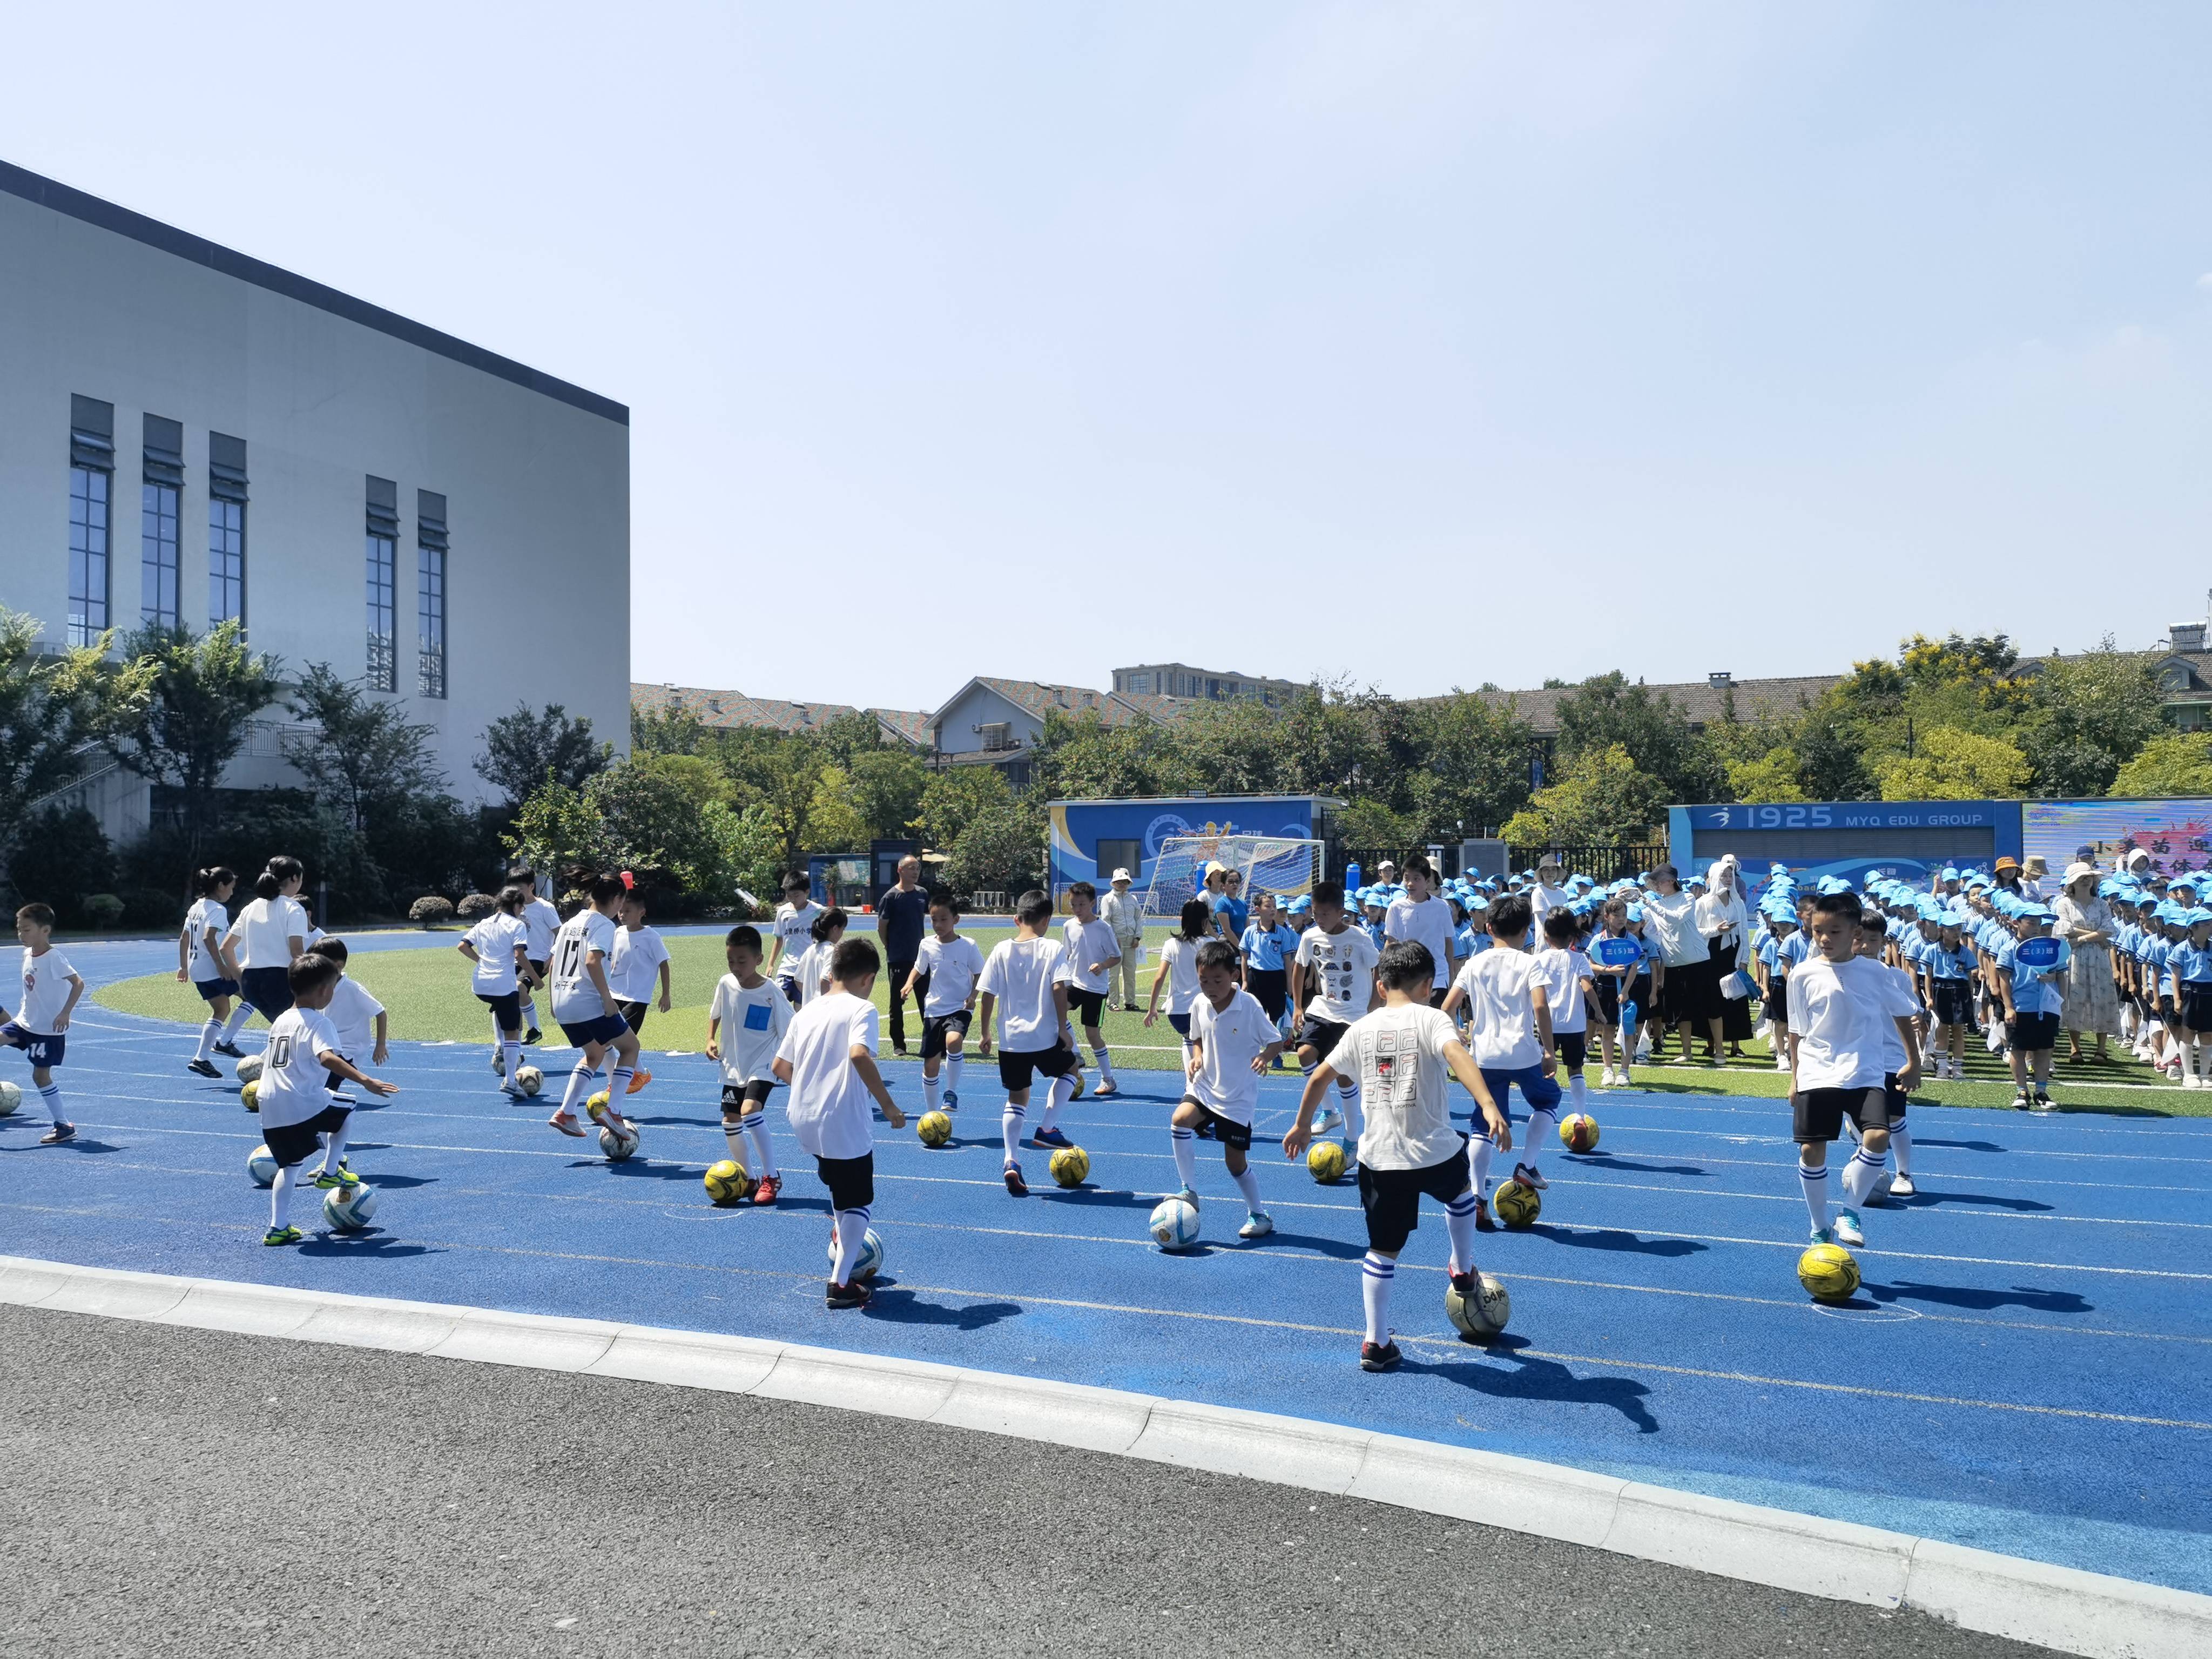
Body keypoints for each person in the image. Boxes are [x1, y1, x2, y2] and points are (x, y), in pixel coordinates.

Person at [1282, 939, 1510, 1373]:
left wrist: (1300, 1124)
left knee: (1382, 1251)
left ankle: (1375, 1342)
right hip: (1435, 1149)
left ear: (1380, 985)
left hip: (1380, 1158)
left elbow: (1319, 1079)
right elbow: (1457, 1054)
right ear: (1429, 986)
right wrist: (1488, 1103)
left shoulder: (1361, 1028)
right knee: (1462, 1194)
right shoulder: (1433, 1018)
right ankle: (1462, 1268)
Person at [772, 937, 906, 1308]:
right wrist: (889, 1106)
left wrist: (810, 1086)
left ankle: (841, 1230)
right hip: (842, 1120)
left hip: (803, 1117)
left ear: (832, 972)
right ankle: (840, 1284)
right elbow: (859, 1054)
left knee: (840, 1187)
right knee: (861, 1200)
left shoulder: (807, 1011)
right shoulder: (862, 1009)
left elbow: (779, 1067)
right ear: (869, 978)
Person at [1785, 890, 1918, 1248]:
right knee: (1812, 1151)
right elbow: (1797, 1032)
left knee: (1878, 1137)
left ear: (1855, 932)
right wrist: (1794, 1078)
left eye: (1835, 932)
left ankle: (1850, 1212)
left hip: (1864, 1070)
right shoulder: (1801, 974)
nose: (1825, 939)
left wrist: (1914, 1060)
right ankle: (1819, 1227)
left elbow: (1903, 1014)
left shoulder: (1876, 972)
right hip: (1816, 1070)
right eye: (1817, 932)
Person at [255, 951, 396, 1246]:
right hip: (301, 1101)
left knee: (290, 1167)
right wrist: (366, 1080)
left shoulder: (281, 1020)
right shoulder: (319, 1023)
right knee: (348, 1105)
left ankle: (278, 1227)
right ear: (324, 991)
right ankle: (331, 1171)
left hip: (270, 1106)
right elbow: (327, 1057)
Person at [1440, 892, 1555, 1222]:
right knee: (1548, 1101)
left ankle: (1477, 1196)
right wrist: (1548, 1049)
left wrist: (1456, 1034)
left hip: (1486, 1056)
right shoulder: (1530, 962)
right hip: (1523, 1053)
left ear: (1489, 928)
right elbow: (1539, 1006)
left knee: (1483, 1124)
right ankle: (1527, 1165)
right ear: (1525, 932)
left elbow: (1448, 1007)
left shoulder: (1475, 963)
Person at [1166, 940, 1285, 1241]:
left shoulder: (1249, 1005)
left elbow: (1275, 1041)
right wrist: (1196, 1057)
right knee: (1180, 1120)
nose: (1210, 986)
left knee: (1235, 1164)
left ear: (1233, 975)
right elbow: (1196, 1038)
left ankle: (1259, 1213)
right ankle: (1188, 1190)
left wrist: (1264, 1058)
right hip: (1205, 1087)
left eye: (1217, 980)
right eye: (1203, 980)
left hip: (1237, 1098)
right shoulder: (1199, 1003)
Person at [976, 889, 1078, 1196]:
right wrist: (1063, 1028)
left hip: (1011, 1040)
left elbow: (987, 996)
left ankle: (1011, 1160)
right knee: (1071, 1069)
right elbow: (1059, 988)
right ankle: (1047, 1128)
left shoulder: (1001, 950)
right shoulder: (1052, 948)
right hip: (1044, 1036)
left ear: (1016, 918)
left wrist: (985, 1033)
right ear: (1046, 919)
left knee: (1016, 1097)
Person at [543, 872, 640, 1141]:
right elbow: (592, 961)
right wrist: (608, 1000)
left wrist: (553, 1001)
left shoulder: (570, 923)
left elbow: (551, 964)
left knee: (595, 1054)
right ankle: (615, 1111)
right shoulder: (604, 925)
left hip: (563, 1003)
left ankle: (566, 1113)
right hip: (587, 1001)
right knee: (631, 1048)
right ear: (618, 899)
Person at [705, 924, 790, 1204]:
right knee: (730, 1121)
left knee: (750, 1111)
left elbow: (790, 1028)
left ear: (758, 959)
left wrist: (787, 1064)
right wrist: (710, 1039)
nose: (736, 966)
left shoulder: (772, 992)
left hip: (763, 1063)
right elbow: (715, 1013)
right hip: (732, 1066)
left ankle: (771, 1177)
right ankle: (748, 1177)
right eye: (731, 960)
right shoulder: (725, 983)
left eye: (742, 961)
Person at [1290, 880, 1378, 1141]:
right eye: (1316, 913)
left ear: (1342, 913)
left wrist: (1374, 1006)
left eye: (1326, 914)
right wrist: (1296, 1006)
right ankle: (1329, 1112)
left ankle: (1352, 1138)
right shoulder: (1310, 936)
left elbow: (1378, 969)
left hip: (1354, 1014)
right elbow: (1299, 967)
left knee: (1343, 1076)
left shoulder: (1359, 937)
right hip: (1323, 1007)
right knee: (1305, 1053)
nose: (1320, 919)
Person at [1, 903, 83, 1145]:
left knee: (40, 1077)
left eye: (26, 930)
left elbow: (78, 983)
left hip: (47, 1031)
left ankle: (64, 1126)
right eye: (19, 930)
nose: (21, 935)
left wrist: (65, 1014)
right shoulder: (27, 954)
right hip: (24, 1024)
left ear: (45, 930)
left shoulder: (54, 957)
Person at [1851, 914, 1919, 1199]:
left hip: (1890, 1057)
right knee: (1855, 1118)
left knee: (1894, 1118)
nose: (1866, 946)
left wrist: (1912, 1057)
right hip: (1853, 1058)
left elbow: (1911, 1012)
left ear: (1884, 942)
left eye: (1873, 940)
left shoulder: (1897, 977)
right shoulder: (1839, 973)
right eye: (1860, 939)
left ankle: (1904, 1173)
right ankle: (1865, 1158)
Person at [907, 895, 985, 1113]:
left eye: (943, 919)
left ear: (956, 919)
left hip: (959, 1007)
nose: (938, 925)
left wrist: (973, 996)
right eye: (933, 920)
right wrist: (909, 984)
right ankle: (932, 1113)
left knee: (954, 1040)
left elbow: (980, 973)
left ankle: (951, 1092)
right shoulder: (926, 944)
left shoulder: (968, 946)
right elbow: (919, 968)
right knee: (930, 1066)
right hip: (933, 1009)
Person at [459, 885, 537, 1100]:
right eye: (521, 906)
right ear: (515, 905)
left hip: (480, 985)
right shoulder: (517, 925)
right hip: (502, 984)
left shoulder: (484, 923)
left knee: (506, 1013)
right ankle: (511, 1080)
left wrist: (481, 961)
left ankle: (500, 1046)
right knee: (513, 1030)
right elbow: (519, 955)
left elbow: (463, 946)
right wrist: (537, 979)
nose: (522, 911)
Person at [224, 858, 311, 1038]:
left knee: (284, 1032)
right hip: (280, 980)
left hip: (251, 982)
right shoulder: (293, 908)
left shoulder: (250, 908)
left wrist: (241, 979)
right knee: (301, 1034)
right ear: (295, 878)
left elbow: (226, 948)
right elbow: (297, 953)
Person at [1641, 863, 1718, 1062]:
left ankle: (1719, 1050)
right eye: (1655, 882)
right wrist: (1626, 899)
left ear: (1672, 881)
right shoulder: (1657, 904)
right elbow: (1643, 924)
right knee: (1682, 1011)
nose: (1657, 886)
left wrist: (1650, 904)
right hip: (1674, 965)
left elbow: (1677, 919)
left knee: (1710, 1008)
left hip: (1698, 961)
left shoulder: (1688, 898)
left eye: (1661, 881)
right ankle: (1687, 1052)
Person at [1994, 903, 2067, 1111]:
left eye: (2039, 923)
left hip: (2047, 1007)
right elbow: (2004, 980)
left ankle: (2041, 1092)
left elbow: (2061, 976)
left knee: (2044, 1050)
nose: (2037, 927)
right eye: (2032, 923)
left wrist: (2061, 1001)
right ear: (2017, 923)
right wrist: (2009, 1007)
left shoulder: (2052, 948)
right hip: (2021, 1007)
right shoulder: (2009, 948)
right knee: (2018, 1050)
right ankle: (2022, 1091)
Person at [1058, 881, 1122, 1097]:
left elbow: (1116, 957)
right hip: (1074, 984)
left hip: (1096, 989)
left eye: (1082, 905)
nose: (1077, 909)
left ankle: (1108, 1079)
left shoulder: (1103, 928)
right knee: (1056, 1011)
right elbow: (1067, 955)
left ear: (1093, 904)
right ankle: (1076, 1053)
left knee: (1093, 1035)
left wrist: (1102, 965)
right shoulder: (1068, 927)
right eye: (1074, 904)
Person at [1535, 911, 1595, 1138]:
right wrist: (1598, 1011)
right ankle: (1580, 1115)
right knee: (1575, 1069)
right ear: (1572, 936)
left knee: (1544, 1069)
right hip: (1573, 1025)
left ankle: (1542, 1110)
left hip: (1547, 1025)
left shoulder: (1538, 960)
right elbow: (1587, 988)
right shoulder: (1579, 959)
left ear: (1546, 934)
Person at [180, 866, 245, 1077]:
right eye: (231, 887)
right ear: (220, 886)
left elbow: (184, 938)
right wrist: (222, 966)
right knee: (253, 995)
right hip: (213, 969)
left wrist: (183, 967)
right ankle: (225, 1042)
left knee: (221, 1010)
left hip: (198, 969)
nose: (232, 893)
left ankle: (201, 1059)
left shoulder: (196, 907)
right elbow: (209, 938)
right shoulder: (217, 910)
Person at [306, 939, 386, 1107]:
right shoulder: (323, 987)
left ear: (338, 966)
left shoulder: (353, 989)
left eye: (319, 965)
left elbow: (380, 1012)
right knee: (313, 1083)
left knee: (326, 1089)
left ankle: (334, 1111)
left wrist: (380, 1045)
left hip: (350, 1049)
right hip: (330, 1046)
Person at [2053, 863, 2120, 1063]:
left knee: (2102, 998)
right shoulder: (2064, 903)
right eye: (2083, 876)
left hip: (2098, 956)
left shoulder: (2101, 904)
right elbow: (2065, 928)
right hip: (2074, 957)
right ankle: (2075, 1048)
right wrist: (2095, 936)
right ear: (2072, 881)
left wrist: (2082, 938)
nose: (2087, 879)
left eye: (2090, 876)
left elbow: (2108, 930)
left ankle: (2101, 1049)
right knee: (2074, 998)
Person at [608, 888, 671, 1092]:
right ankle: (639, 1073)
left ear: (642, 912)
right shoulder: (617, 932)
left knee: (622, 1040)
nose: (622, 915)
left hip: (637, 997)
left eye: (628, 911)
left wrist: (665, 994)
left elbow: (664, 964)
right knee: (614, 1039)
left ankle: (622, 1082)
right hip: (613, 995)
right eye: (621, 910)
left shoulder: (651, 936)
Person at [874, 855, 932, 1055]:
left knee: (927, 1001)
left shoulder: (922, 894)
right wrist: (889, 946)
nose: (915, 872)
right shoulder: (890, 897)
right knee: (897, 1003)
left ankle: (931, 1044)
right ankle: (899, 1044)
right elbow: (882, 927)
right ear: (900, 871)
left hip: (921, 958)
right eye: (911, 868)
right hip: (898, 957)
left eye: (917, 868)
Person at [1144, 898, 1212, 1067]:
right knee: (1205, 1044)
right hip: (1203, 1008)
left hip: (1177, 1011)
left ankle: (1190, 1084)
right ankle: (1200, 1084)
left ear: (1182, 920)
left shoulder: (1171, 944)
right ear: (1205, 922)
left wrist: (1152, 1008)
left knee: (1188, 1040)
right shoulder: (1210, 943)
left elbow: (1159, 977)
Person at [1697, 857, 1755, 1056]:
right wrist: (1716, 930)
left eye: (1730, 875)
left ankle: (1735, 1045)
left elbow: (1744, 933)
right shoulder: (1704, 903)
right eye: (1724, 875)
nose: (1728, 878)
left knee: (1735, 998)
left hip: (1733, 954)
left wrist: (1744, 960)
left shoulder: (1737, 902)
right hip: (1711, 955)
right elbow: (1696, 932)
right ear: (1714, 877)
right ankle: (1711, 1044)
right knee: (1712, 999)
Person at [1383, 855, 1457, 1007]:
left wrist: (1450, 976)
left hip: (1436, 977)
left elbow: (1448, 942)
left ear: (1428, 881)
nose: (1410, 883)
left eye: (1417, 879)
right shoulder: (1395, 908)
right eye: (1407, 878)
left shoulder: (1442, 907)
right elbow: (1391, 941)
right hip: (1406, 978)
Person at [1238, 892, 1298, 1055]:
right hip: (1256, 977)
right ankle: (1252, 1051)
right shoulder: (1250, 932)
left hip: (1276, 978)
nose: (1273, 910)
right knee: (1255, 1015)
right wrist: (1244, 981)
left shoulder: (1282, 933)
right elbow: (1244, 958)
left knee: (1275, 1017)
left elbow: (1288, 961)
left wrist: (1289, 983)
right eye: (1268, 906)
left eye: (1274, 907)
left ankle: (1274, 1053)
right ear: (1258, 909)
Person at [508, 863, 562, 1043]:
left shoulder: (545, 908)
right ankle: (514, 1046)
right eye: (513, 888)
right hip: (515, 959)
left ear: (531, 887)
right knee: (508, 1000)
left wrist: (553, 955)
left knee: (518, 988)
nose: (517, 892)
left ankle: (535, 1028)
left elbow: (560, 934)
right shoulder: (512, 908)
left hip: (538, 959)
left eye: (521, 888)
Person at [768, 873, 824, 1006]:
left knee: (800, 1010)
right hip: (786, 968)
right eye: (789, 895)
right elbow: (779, 939)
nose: (792, 899)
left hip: (806, 970)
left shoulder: (819, 912)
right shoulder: (783, 912)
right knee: (778, 1004)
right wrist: (771, 964)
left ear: (807, 892)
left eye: (796, 895)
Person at [1102, 868, 1146, 1010]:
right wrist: (1114, 938)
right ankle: (1112, 1002)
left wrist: (1138, 936)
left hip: (1131, 942)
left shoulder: (1133, 899)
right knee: (1113, 974)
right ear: (1113, 883)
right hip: (1115, 942)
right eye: (1119, 881)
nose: (1122, 884)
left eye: (1125, 881)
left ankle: (1130, 1002)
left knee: (1130, 974)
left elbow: (1138, 919)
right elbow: (1106, 921)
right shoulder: (1107, 899)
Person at [795, 908, 848, 1008]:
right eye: (843, 929)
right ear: (836, 929)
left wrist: (809, 995)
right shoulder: (832, 951)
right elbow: (824, 980)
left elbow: (798, 979)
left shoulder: (811, 949)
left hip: (808, 1008)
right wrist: (827, 1005)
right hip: (822, 1010)